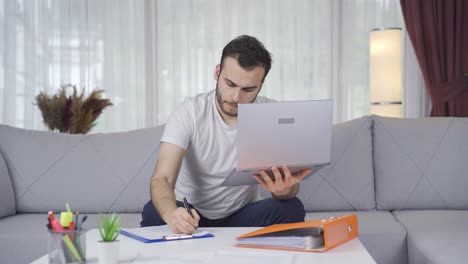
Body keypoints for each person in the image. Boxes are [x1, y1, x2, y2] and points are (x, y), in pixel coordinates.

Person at [141, 35, 311, 234]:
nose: (236, 97)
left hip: (242, 214)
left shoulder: (271, 114)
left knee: (291, 207)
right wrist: (172, 214)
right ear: (217, 72)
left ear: (261, 84)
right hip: (192, 214)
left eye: (248, 89)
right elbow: (162, 179)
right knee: (153, 211)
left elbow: (290, 188)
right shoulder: (189, 112)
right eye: (230, 84)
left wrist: (285, 191)